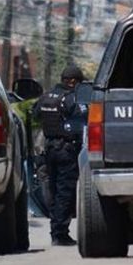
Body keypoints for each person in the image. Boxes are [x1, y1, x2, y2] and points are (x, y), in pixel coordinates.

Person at [33, 64, 88, 246]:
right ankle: (60, 233)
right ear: (73, 82)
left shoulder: (46, 96)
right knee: (65, 193)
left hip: (49, 149)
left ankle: (56, 231)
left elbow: (35, 114)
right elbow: (83, 120)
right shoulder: (71, 98)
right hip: (66, 151)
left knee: (55, 191)